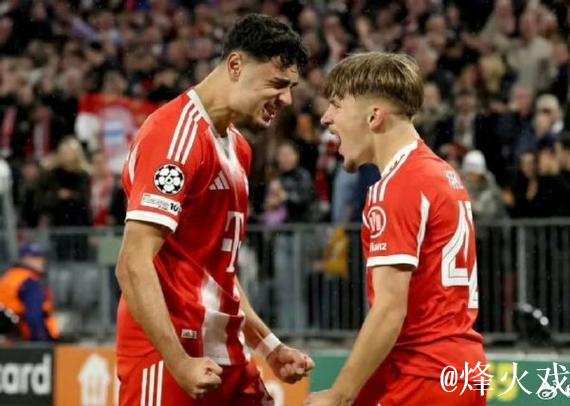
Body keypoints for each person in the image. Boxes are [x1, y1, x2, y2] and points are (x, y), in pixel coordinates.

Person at [115, 14, 313, 405]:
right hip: (173, 354)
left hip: (226, 351)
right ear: (235, 65)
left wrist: (270, 346)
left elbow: (217, 273)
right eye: (277, 84)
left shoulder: (239, 147)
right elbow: (132, 263)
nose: (286, 100)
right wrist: (178, 361)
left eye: (290, 88)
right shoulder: (174, 136)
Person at [307, 52, 486, 406]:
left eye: (336, 105)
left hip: (422, 372)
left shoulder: (397, 186)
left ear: (374, 116)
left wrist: (338, 395)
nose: (326, 118)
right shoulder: (440, 173)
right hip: (459, 366)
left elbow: (390, 310)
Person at [0, 243, 59, 341]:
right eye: (36, 257)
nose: (41, 261)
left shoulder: (10, 276)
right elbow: (34, 316)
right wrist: (40, 340)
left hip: (11, 335)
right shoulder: (29, 281)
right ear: (25, 259)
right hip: (26, 336)